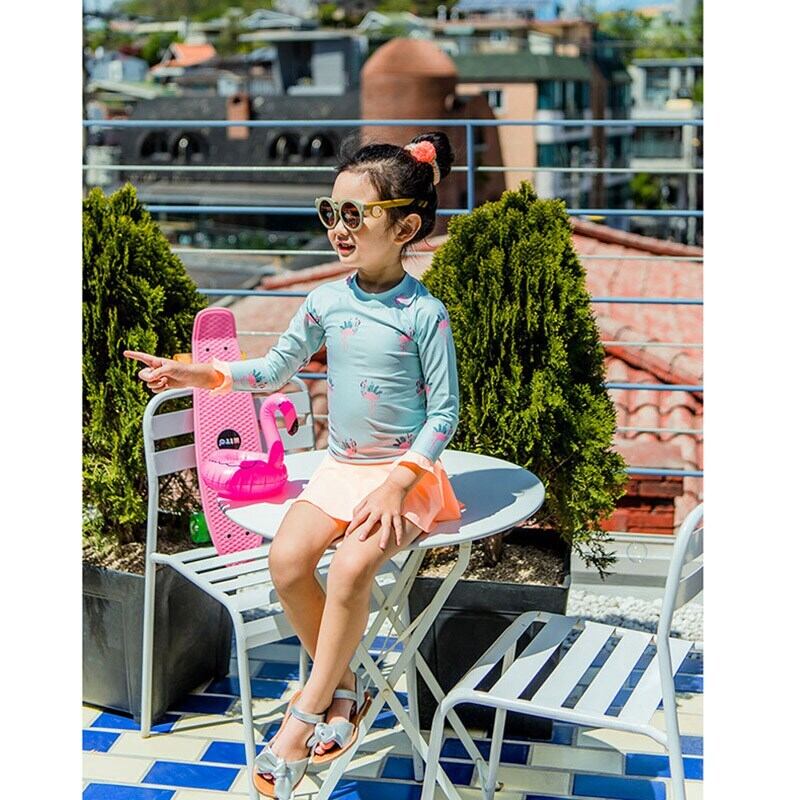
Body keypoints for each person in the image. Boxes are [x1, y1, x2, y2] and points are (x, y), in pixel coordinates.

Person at [125, 131, 462, 800]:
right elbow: (275, 370)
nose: (338, 228)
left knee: (352, 570)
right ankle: (346, 687)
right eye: (330, 211)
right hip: (341, 471)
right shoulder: (325, 302)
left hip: (406, 478)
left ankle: (303, 715)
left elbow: (444, 414)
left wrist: (399, 485)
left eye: (355, 214)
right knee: (286, 562)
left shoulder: (425, 314)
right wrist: (201, 373)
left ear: (405, 228)